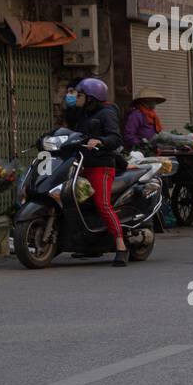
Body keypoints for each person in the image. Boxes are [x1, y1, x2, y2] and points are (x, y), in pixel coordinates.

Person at [69, 78, 128, 266]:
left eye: (79, 95)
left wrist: (100, 141)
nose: (76, 98)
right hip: (81, 165)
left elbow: (115, 138)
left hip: (101, 165)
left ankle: (121, 246)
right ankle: (88, 242)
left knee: (102, 204)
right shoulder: (83, 114)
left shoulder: (107, 113)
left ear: (91, 97)